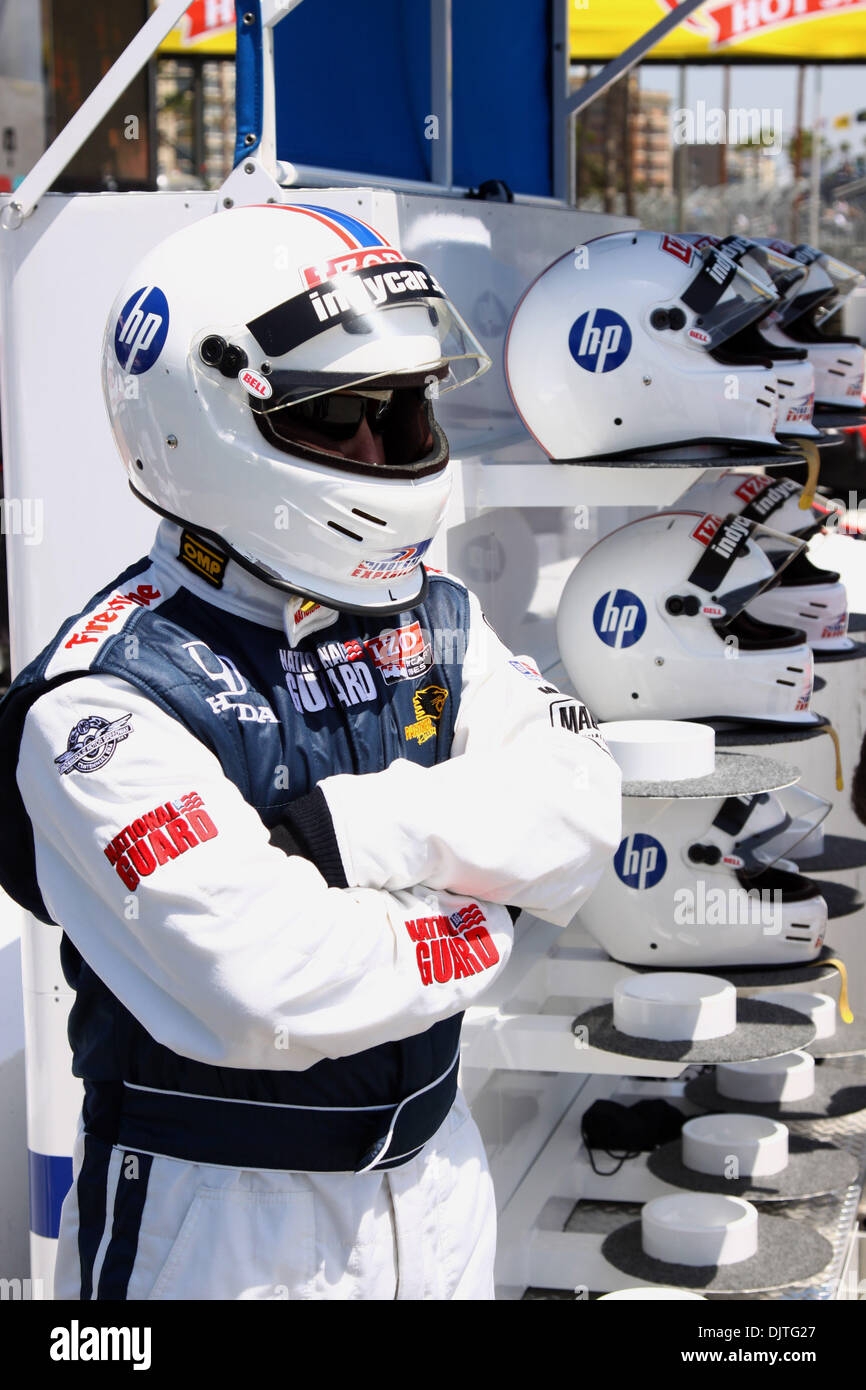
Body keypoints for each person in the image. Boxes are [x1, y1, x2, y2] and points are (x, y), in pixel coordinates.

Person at [0, 204, 621, 1300]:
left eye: (405, 408)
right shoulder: (103, 698)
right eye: (338, 416)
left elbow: (580, 814)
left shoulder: (431, 616)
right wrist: (495, 913)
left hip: (437, 1176)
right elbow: (271, 986)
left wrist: (359, 832)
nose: (381, 451)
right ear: (199, 424)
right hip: (219, 1228)